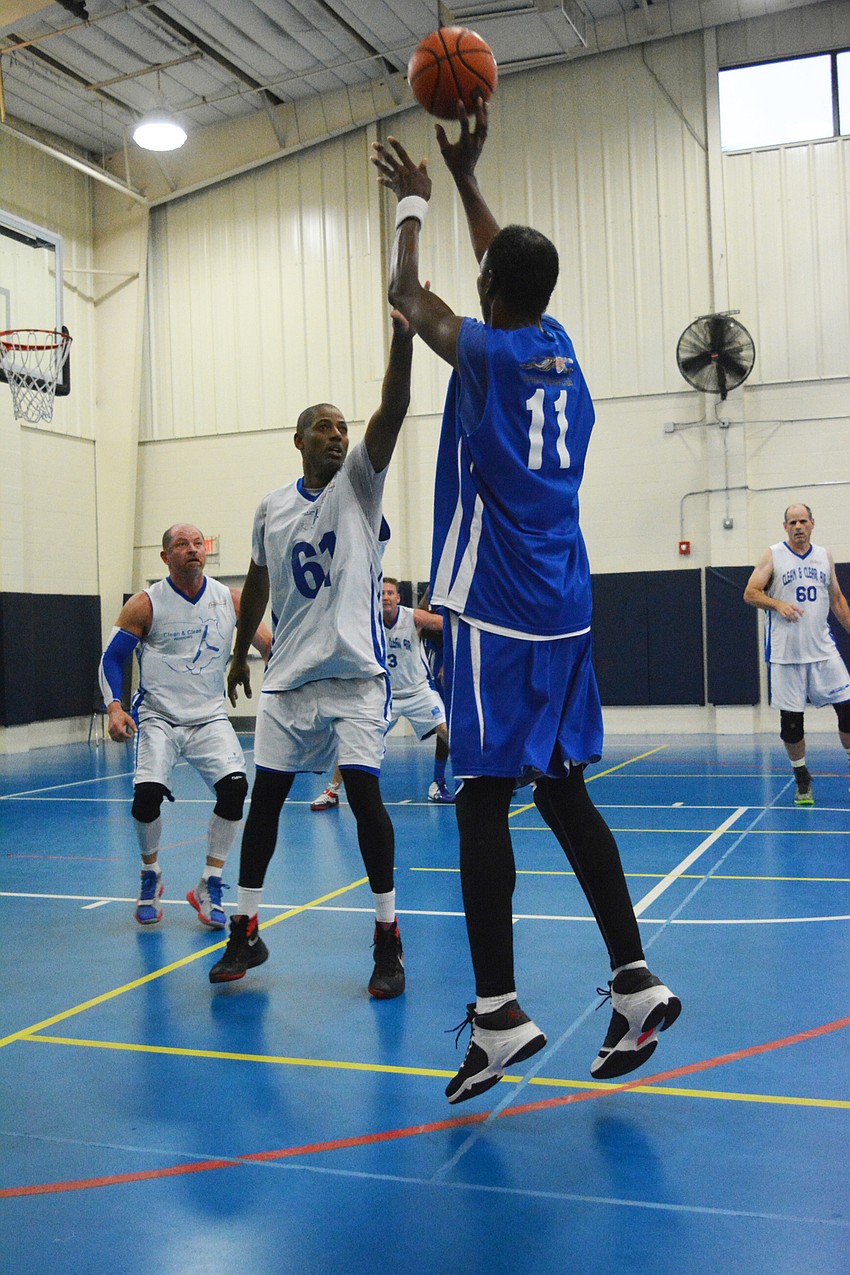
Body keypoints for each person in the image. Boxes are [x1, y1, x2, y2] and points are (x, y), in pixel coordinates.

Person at [371, 99, 681, 1103]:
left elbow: (402, 292)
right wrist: (468, 181)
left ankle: (498, 1012)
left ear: (491, 289)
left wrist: (414, 200)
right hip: (568, 603)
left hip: (496, 611)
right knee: (561, 790)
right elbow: (502, 272)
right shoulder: (558, 352)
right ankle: (633, 983)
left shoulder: (491, 352)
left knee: (479, 800)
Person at [208, 312, 415, 999]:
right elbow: (259, 576)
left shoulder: (360, 483)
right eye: (323, 427)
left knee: (363, 797)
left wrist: (403, 339)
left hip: (355, 677)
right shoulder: (271, 506)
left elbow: (395, 407)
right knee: (264, 803)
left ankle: (387, 938)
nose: (337, 434)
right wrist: (241, 652)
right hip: (289, 682)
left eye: (342, 427)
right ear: (298, 440)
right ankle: (246, 927)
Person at [98, 524, 271, 928]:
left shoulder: (229, 599)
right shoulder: (146, 604)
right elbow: (112, 658)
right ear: (165, 557)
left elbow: (269, 645)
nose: (193, 550)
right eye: (182, 545)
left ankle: (210, 881)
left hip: (209, 715)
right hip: (158, 715)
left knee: (234, 789)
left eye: (198, 544)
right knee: (147, 797)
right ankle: (150, 873)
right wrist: (114, 708)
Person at [309, 576, 455, 809]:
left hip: (418, 690)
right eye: (382, 593)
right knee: (355, 741)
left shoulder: (413, 617)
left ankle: (452, 782)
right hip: (384, 694)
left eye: (390, 593)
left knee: (447, 730)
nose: (385, 596)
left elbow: (450, 627)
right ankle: (332, 790)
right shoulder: (367, 621)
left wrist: (449, 659)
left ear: (398, 598)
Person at [744, 503, 850, 805]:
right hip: (786, 654)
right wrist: (778, 604)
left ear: (813, 523)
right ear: (785, 526)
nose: (798, 526)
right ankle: (802, 778)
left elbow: (838, 601)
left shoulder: (823, 556)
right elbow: (750, 593)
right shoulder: (773, 554)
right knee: (791, 724)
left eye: (803, 521)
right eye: (793, 522)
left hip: (823, 650)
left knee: (848, 710)